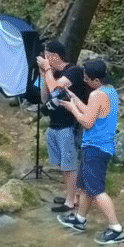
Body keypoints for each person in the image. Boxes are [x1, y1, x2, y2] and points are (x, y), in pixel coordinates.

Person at [56, 59, 124, 245]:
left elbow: (87, 122)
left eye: (87, 78)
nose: (85, 81)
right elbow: (91, 112)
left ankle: (116, 229)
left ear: (95, 80)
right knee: (86, 186)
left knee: (96, 190)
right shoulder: (110, 91)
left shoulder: (97, 94)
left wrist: (72, 109)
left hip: (96, 147)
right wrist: (74, 99)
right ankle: (80, 220)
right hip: (102, 146)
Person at [35, 40, 89, 213]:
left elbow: (57, 89)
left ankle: (71, 201)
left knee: (70, 164)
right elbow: (45, 98)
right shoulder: (52, 74)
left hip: (69, 125)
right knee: (62, 165)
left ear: (54, 55)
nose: (44, 58)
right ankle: (71, 195)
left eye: (46, 55)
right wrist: (44, 75)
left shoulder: (73, 71)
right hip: (54, 124)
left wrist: (48, 71)